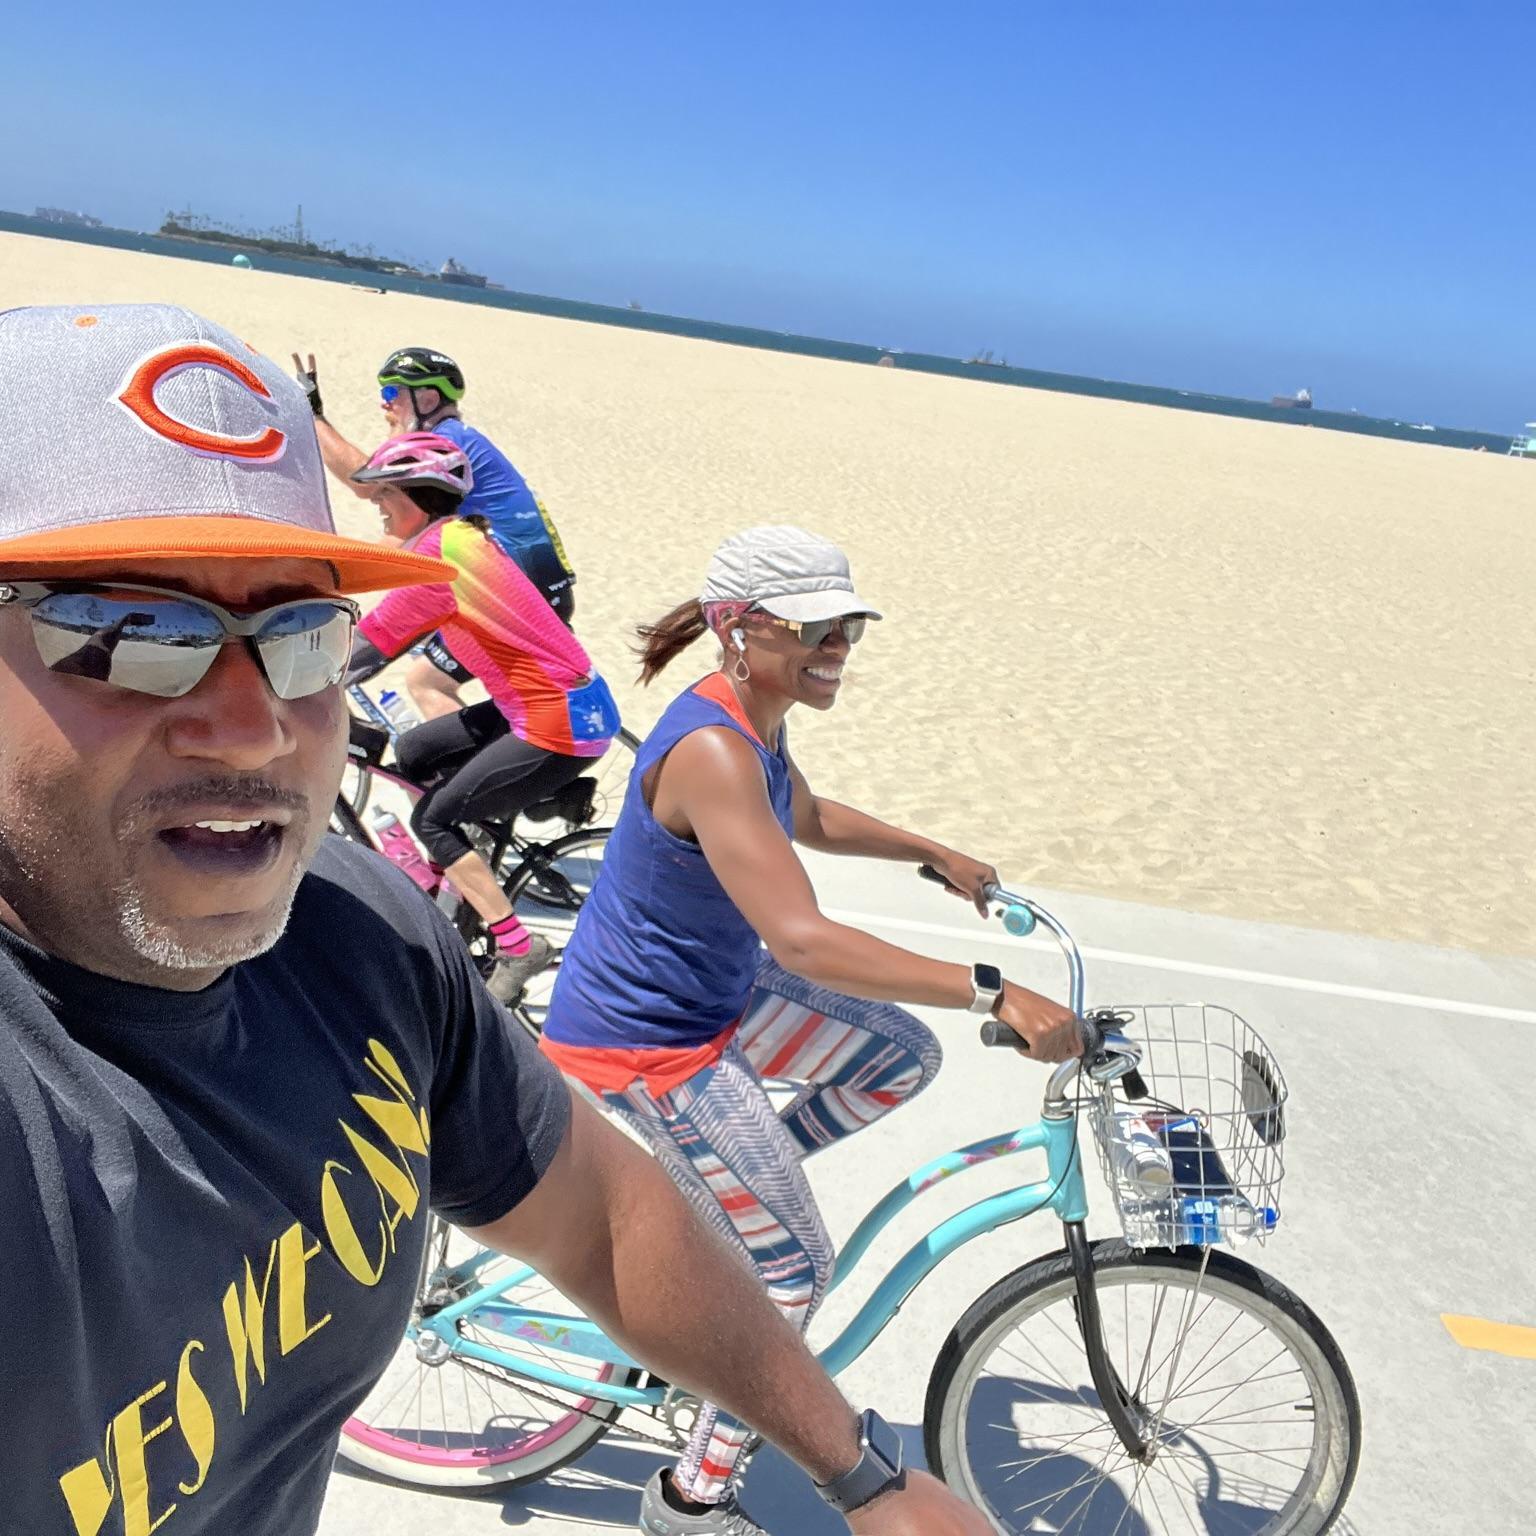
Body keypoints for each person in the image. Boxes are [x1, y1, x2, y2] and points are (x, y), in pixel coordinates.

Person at [0, 304, 992, 1536]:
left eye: (303, 635)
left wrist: (868, 1480)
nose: (253, 729)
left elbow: (604, 1212)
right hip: (646, 1006)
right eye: (134, 634)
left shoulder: (365, 938)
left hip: (569, 765)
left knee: (429, 806)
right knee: (440, 808)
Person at [540, 525, 1083, 1535]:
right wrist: (995, 991)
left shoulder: (753, 720)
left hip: (715, 996)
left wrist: (930, 851)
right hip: (647, 1041)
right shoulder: (712, 747)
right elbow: (802, 940)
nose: (836, 647)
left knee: (898, 1057)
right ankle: (692, 1499)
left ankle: (715, 1203)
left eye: (848, 629)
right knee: (793, 1268)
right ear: (737, 629)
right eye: (813, 629)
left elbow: (799, 810)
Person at [341, 430, 617, 1003]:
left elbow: (371, 645)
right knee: (415, 752)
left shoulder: (439, 560)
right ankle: (510, 821)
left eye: (384, 495)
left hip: (557, 721)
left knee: (433, 822)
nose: (377, 506)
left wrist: (295, 678)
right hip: (551, 706)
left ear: (415, 496)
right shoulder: (460, 538)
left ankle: (517, 945)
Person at [294, 344, 576, 719]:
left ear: (427, 398)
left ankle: (452, 763)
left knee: (419, 680)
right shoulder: (455, 440)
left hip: (513, 593)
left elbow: (369, 483)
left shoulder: (444, 446)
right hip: (524, 587)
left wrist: (312, 416)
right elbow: (398, 540)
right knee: (423, 671)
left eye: (391, 391)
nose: (384, 402)